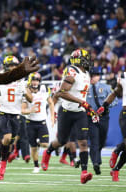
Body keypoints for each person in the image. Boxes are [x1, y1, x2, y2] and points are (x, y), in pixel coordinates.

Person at [41, 49, 97, 184]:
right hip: (66, 112)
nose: (88, 61)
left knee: (83, 142)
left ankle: (84, 172)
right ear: (79, 60)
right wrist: (83, 103)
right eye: (85, 58)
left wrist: (87, 107)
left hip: (80, 112)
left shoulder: (86, 73)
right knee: (61, 140)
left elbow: (80, 95)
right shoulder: (72, 71)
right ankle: (47, 152)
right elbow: (62, 93)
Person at [0, 55, 33, 180]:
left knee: (9, 142)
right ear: (6, 67)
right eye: (11, 66)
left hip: (16, 115)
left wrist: (24, 91)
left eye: (14, 65)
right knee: (7, 138)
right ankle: (2, 165)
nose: (13, 68)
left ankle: (2, 160)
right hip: (3, 113)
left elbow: (30, 99)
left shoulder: (21, 80)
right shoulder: (1, 78)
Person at [86, 67, 118, 175]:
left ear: (98, 76)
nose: (92, 77)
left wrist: (107, 106)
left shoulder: (106, 87)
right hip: (92, 117)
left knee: (102, 139)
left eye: (94, 75)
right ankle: (96, 162)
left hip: (104, 117)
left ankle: (96, 157)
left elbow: (115, 100)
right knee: (94, 140)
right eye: (91, 75)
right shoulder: (85, 89)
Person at [21, 72, 55, 173]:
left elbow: (51, 103)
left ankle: (39, 142)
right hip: (30, 122)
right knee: (33, 147)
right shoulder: (26, 93)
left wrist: (52, 116)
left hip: (41, 122)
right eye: (34, 80)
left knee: (44, 144)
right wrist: (30, 111)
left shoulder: (44, 89)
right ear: (30, 81)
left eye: (37, 80)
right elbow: (22, 110)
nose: (35, 82)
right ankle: (36, 166)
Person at [98, 68, 126, 181]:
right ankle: (118, 150)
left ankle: (116, 168)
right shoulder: (124, 78)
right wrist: (104, 105)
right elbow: (115, 93)